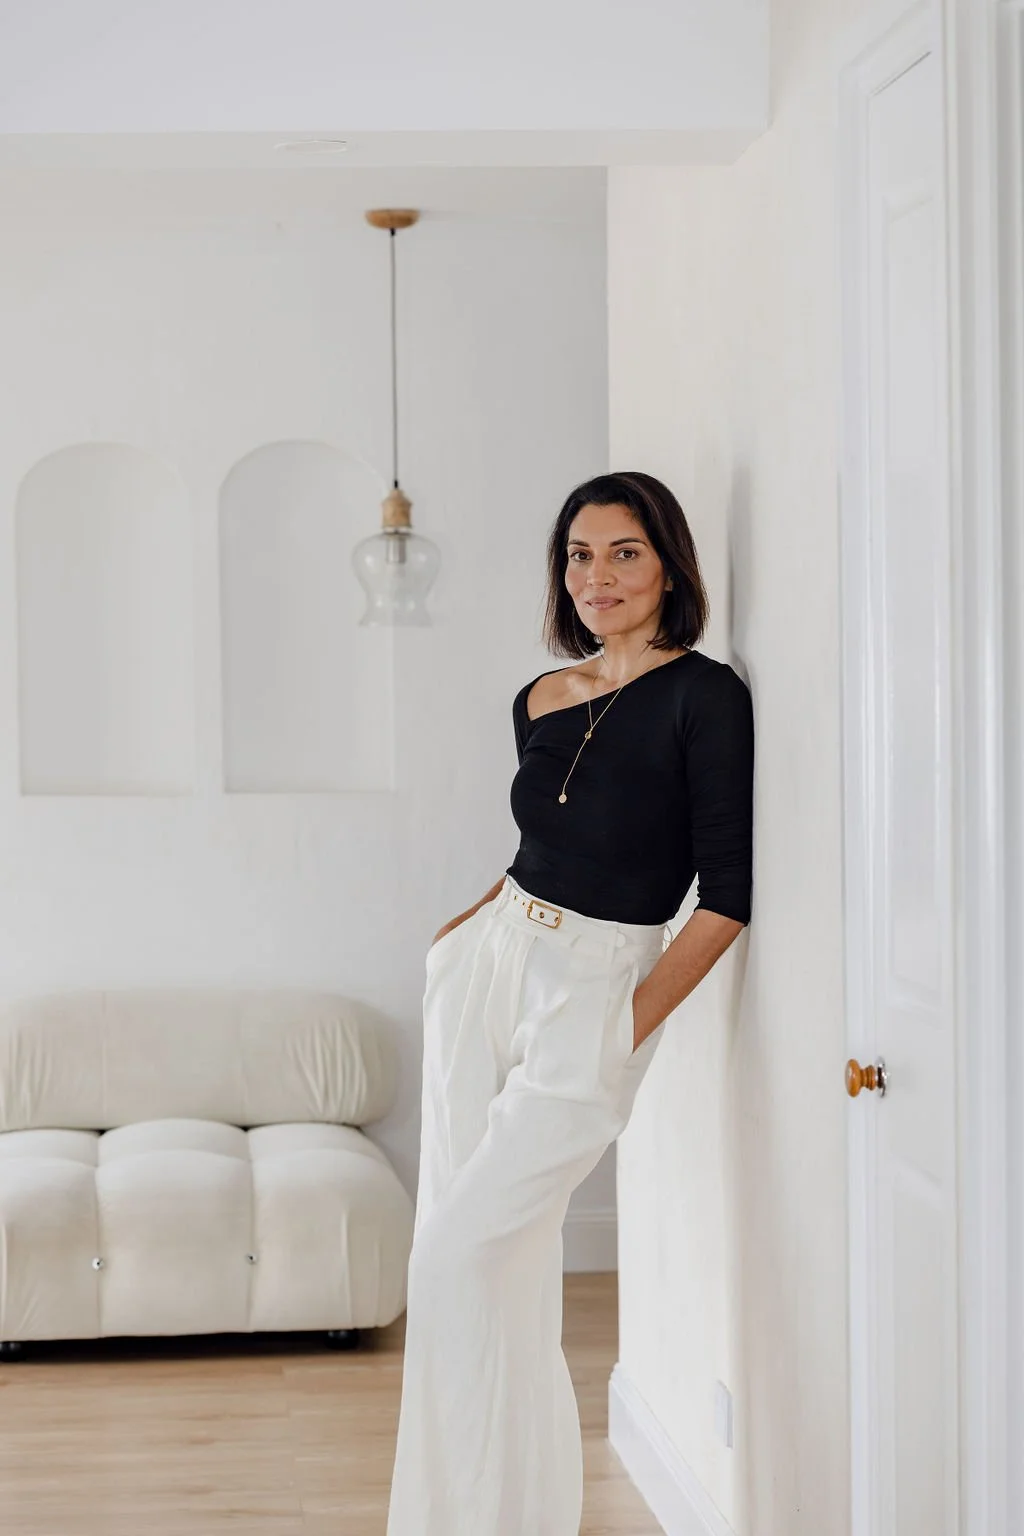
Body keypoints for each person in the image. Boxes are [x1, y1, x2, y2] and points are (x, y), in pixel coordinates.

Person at [386, 470, 755, 1535]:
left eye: (624, 552)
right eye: (579, 555)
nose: (597, 577)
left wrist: (622, 1028)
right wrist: (459, 937)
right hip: (484, 969)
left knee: (465, 1256)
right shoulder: (543, 695)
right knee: (475, 1265)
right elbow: (542, 845)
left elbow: (724, 901)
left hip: (593, 988)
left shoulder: (706, 697)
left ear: (669, 563)